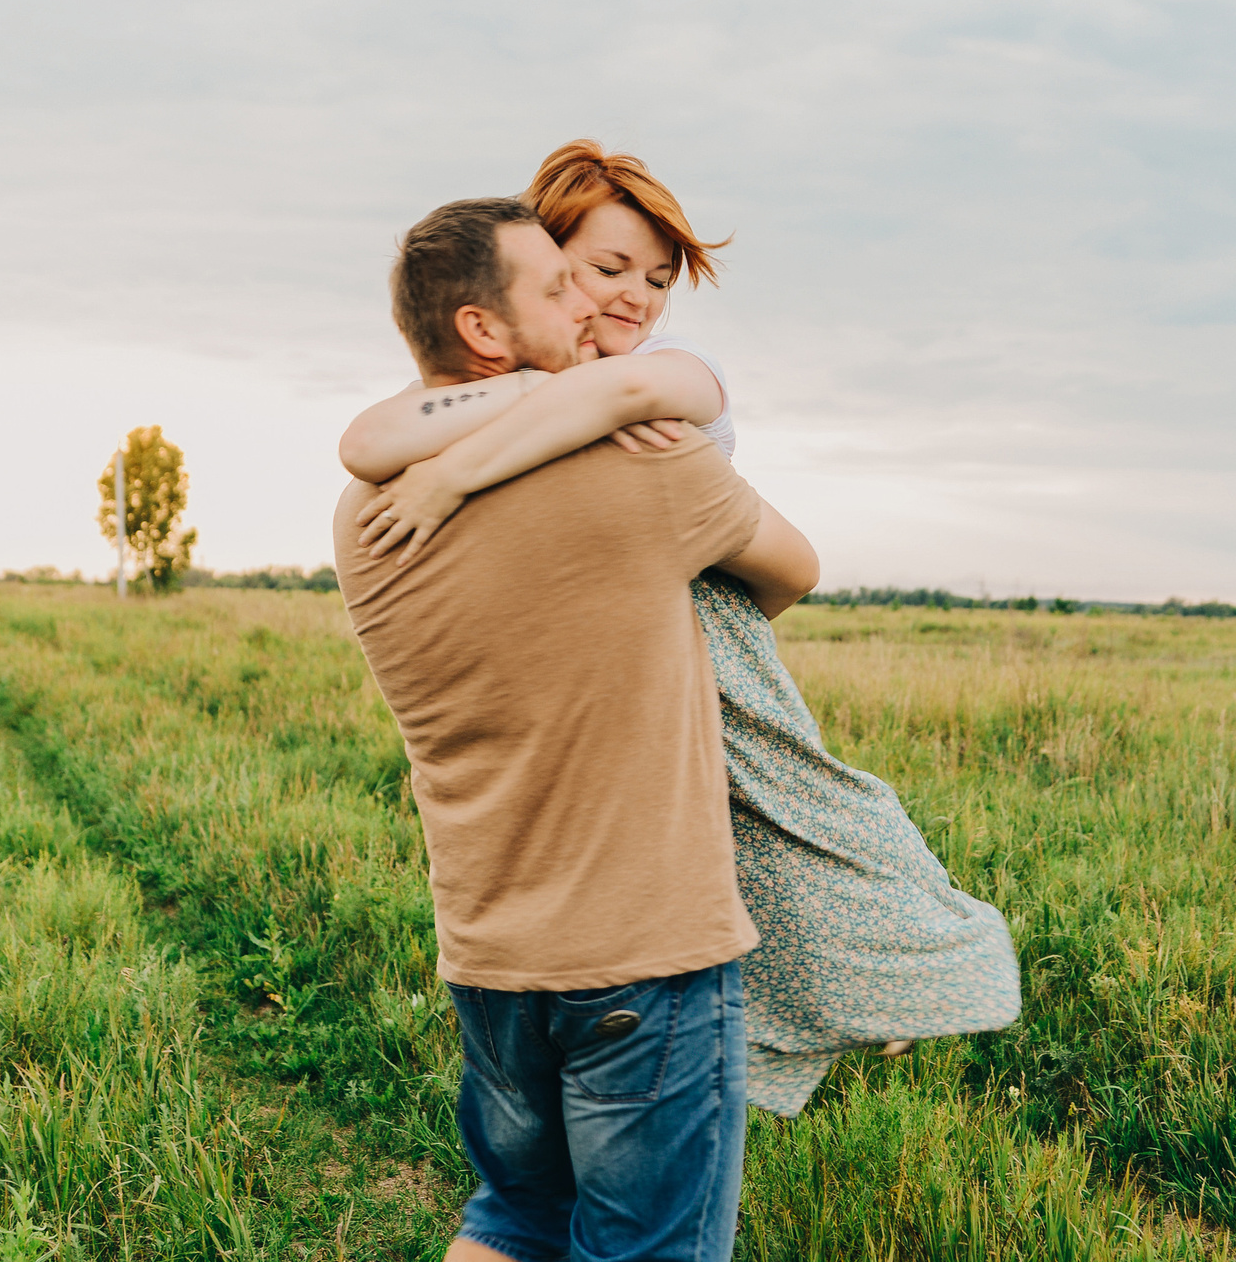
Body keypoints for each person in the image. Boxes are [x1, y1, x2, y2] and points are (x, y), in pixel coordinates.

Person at [341, 142, 1021, 1115]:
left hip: (699, 608)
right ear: (537, 264)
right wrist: (523, 397)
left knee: (802, 795)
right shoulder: (538, 385)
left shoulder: (664, 373)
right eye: (605, 269)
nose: (633, 298)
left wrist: (453, 469)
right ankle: (782, 1023)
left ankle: (909, 970)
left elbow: (757, 546)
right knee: (709, 841)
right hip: (607, 645)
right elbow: (367, 438)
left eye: (656, 279)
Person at [336, 196, 819, 1262]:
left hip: (490, 949)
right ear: (486, 330)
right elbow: (789, 570)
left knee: (508, 1212)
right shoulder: (636, 468)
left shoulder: (361, 518)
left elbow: (393, 437)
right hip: (649, 959)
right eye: (564, 291)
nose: (599, 318)